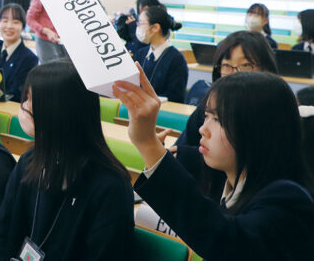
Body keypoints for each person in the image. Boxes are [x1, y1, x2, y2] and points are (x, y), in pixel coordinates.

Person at [114, 68, 314, 261]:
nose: (203, 129)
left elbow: (225, 240)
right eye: (207, 116)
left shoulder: (289, 200)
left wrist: (148, 143)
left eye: (218, 119)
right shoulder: (230, 182)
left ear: (259, 131)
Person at [0, 61, 134, 260]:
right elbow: (3, 234)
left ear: (59, 111)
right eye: (26, 98)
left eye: (32, 100)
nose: (24, 107)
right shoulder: (29, 160)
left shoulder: (110, 186)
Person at [176, 31, 277, 148]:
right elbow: (180, 147)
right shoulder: (210, 106)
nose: (234, 73)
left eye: (245, 65)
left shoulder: (272, 112)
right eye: (226, 66)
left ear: (266, 69)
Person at [133, 5, 188, 103]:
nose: (137, 26)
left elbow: (175, 96)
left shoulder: (176, 59)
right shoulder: (141, 53)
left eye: (140, 23)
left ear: (155, 28)